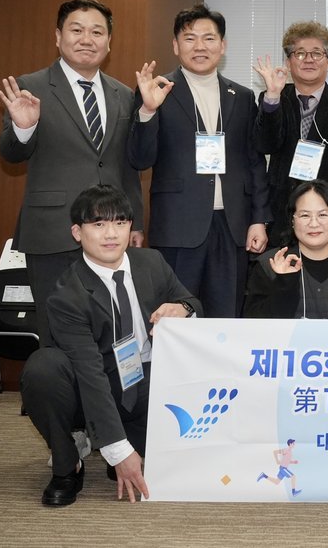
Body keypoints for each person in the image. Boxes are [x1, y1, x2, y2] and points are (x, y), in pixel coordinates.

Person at [20, 185, 200, 507]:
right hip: (93, 388)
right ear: (77, 233)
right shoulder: (66, 295)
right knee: (43, 369)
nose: (111, 234)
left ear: (131, 227)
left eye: (120, 222)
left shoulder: (151, 262)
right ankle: (68, 462)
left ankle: (121, 443)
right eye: (98, 224)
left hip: (144, 384)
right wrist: (118, 450)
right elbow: (90, 374)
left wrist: (183, 308)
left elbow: (191, 300)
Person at [0, 0, 144, 344]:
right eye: (76, 30)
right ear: (58, 36)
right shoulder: (30, 87)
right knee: (57, 333)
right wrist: (24, 128)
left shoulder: (124, 94)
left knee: (110, 331)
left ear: (109, 42)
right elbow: (10, 153)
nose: (86, 39)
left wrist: (135, 221)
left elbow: (127, 166)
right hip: (53, 231)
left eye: (97, 32)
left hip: (109, 235)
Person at [129, 3, 270, 318]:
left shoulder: (242, 97)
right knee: (174, 318)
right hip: (178, 225)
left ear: (223, 45)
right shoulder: (157, 91)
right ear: (175, 45)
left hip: (232, 226)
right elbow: (139, 159)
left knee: (226, 316)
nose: (200, 47)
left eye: (209, 38)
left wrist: (259, 219)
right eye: (190, 38)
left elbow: (254, 162)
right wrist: (148, 111)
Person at [254, 21, 328, 242]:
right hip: (279, 215)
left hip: (325, 218)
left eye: (317, 53)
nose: (308, 59)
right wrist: (272, 96)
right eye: (300, 53)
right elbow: (265, 145)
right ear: (288, 62)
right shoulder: (273, 98)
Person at [244, 180, 328, 319]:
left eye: (323, 215)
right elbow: (254, 325)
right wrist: (284, 283)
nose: (314, 223)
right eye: (305, 215)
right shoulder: (269, 265)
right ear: (292, 221)